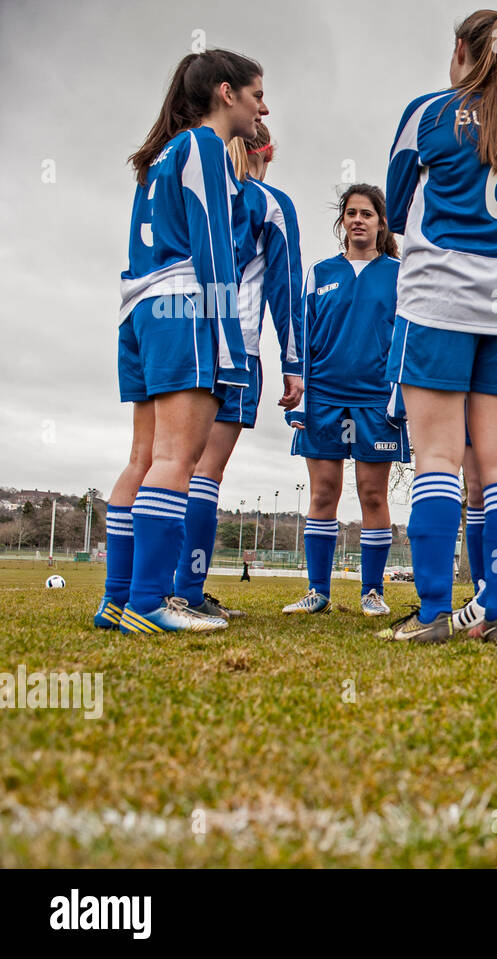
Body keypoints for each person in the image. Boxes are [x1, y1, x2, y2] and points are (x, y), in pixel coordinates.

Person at [382, 10, 497, 643]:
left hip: (439, 305)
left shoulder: (427, 113)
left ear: (461, 48)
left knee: (437, 459)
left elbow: (396, 208)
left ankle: (431, 614)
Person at [98, 49, 265, 634]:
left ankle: (117, 599)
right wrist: (228, 342)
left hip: (139, 309)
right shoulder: (204, 148)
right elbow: (215, 246)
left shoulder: (160, 155)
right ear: (226, 93)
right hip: (184, 305)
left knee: (141, 459)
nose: (261, 107)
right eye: (255, 95)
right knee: (178, 461)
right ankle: (148, 602)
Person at [171, 121, 305, 620]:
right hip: (234, 348)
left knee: (167, 466)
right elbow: (286, 290)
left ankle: (151, 587)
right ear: (266, 154)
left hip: (178, 338)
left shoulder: (186, 186)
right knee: (205, 474)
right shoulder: (270, 202)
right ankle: (188, 591)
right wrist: (294, 365)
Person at [282, 184, 406, 617]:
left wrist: (401, 395)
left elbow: (407, 338)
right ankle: (317, 592)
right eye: (351, 213)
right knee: (323, 494)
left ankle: (372, 591)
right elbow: (301, 337)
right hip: (324, 400)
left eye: (367, 214)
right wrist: (299, 394)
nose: (358, 220)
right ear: (342, 221)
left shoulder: (399, 273)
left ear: (380, 222)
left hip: (376, 401)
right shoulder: (320, 273)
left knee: (373, 495)